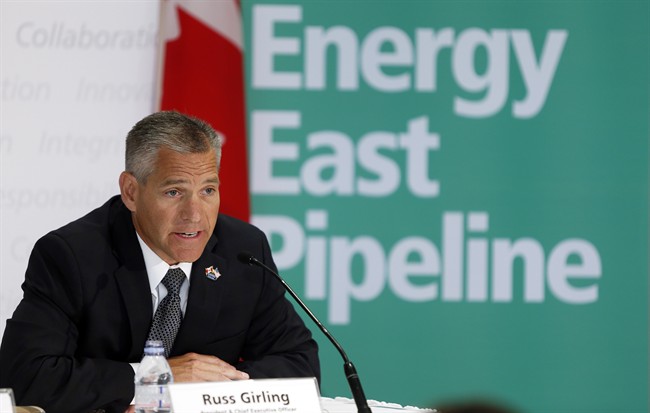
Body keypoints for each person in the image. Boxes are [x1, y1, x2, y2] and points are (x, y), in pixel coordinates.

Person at [0, 111, 320, 413]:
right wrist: (153, 379)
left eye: (208, 190)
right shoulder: (72, 255)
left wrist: (202, 392)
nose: (195, 215)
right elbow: (24, 377)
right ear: (131, 192)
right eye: (174, 192)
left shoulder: (243, 251)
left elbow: (300, 366)